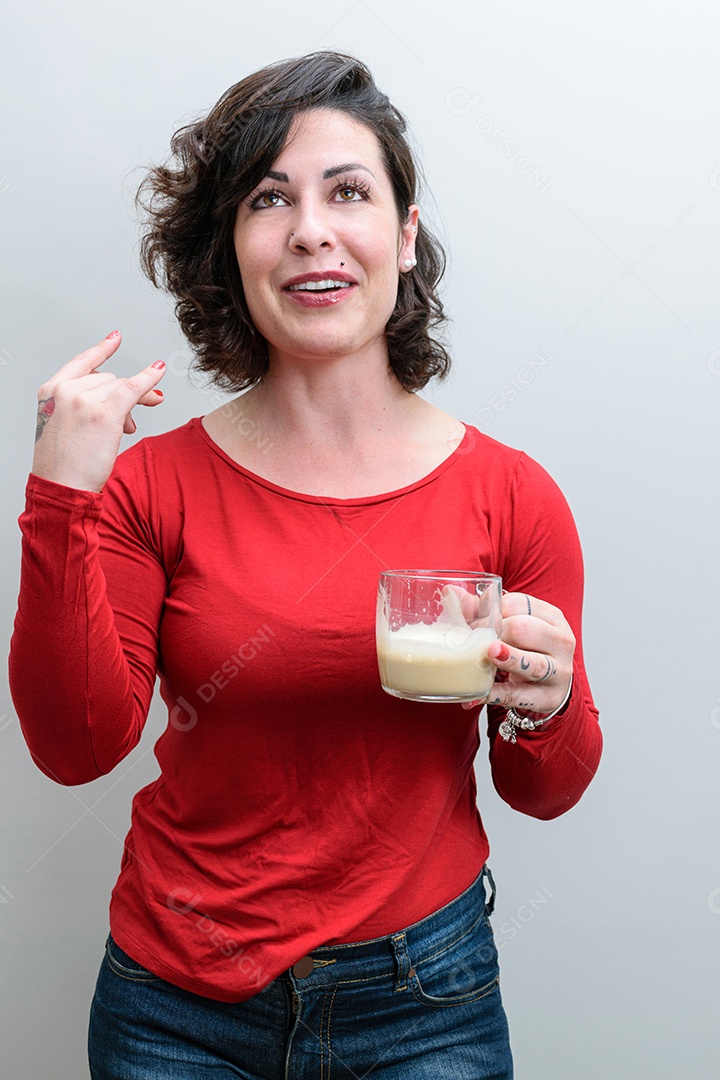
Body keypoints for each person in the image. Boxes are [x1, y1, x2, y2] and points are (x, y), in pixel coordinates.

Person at [9, 50, 602, 1079]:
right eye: (269, 200)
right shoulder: (155, 487)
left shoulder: (513, 495)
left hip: (427, 1001)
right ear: (233, 252)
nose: (311, 230)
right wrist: (63, 495)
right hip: (174, 1008)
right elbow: (76, 746)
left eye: (349, 192)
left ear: (405, 237)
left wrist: (546, 705)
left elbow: (544, 792)